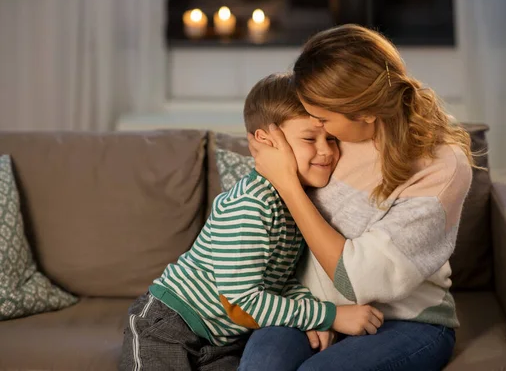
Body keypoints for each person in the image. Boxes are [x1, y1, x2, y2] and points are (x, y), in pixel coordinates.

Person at [240, 25, 474, 371]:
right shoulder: (332, 139)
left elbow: (355, 279)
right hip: (313, 307)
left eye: (323, 118)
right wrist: (319, 313)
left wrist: (288, 185)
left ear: (364, 111)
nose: (321, 131)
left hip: (407, 321)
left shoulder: (441, 166)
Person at [118, 72, 383, 371]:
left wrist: (309, 318)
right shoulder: (252, 203)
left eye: (332, 139)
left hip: (223, 340)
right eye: (310, 138)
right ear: (267, 142)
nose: (327, 150)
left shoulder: (298, 203)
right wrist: (329, 315)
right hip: (169, 324)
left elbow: (280, 282)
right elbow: (241, 302)